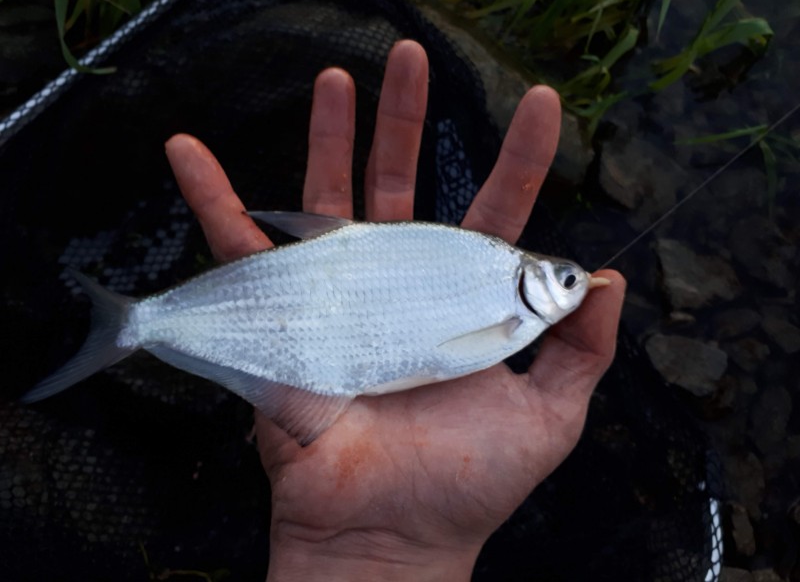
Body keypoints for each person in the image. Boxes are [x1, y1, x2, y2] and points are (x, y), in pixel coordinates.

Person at [164, 40, 625, 581]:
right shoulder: (510, 302)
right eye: (566, 280)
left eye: (568, 281)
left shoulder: (509, 299)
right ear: (532, 279)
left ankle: (143, 322)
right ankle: (142, 322)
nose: (574, 288)